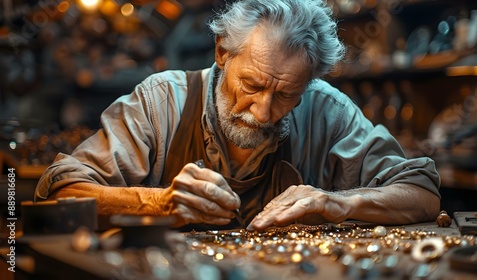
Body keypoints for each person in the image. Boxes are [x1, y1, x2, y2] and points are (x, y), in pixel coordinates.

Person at [35, 0, 441, 231]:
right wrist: (157, 203)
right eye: (252, 86)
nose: (264, 112)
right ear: (222, 54)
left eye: (286, 95)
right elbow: (58, 191)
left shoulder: (326, 109)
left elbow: (421, 193)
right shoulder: (162, 102)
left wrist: (339, 202)